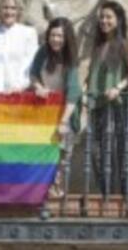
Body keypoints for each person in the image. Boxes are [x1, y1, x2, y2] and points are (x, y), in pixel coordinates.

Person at [30, 17, 82, 196]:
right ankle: (42, 190)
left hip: (65, 113)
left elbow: (74, 92)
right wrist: (37, 87)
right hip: (44, 113)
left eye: (60, 36)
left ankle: (57, 190)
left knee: (61, 155)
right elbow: (33, 73)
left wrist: (64, 121)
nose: (56, 39)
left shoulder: (71, 59)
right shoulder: (43, 52)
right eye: (53, 35)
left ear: (66, 38)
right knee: (43, 154)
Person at [86, 0, 128, 195]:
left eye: (109, 17)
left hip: (117, 104)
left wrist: (117, 88)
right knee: (98, 152)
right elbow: (91, 74)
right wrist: (83, 89)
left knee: (119, 151)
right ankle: (105, 192)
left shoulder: (124, 44)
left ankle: (122, 195)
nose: (104, 21)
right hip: (97, 105)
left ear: (118, 20)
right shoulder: (98, 45)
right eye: (102, 17)